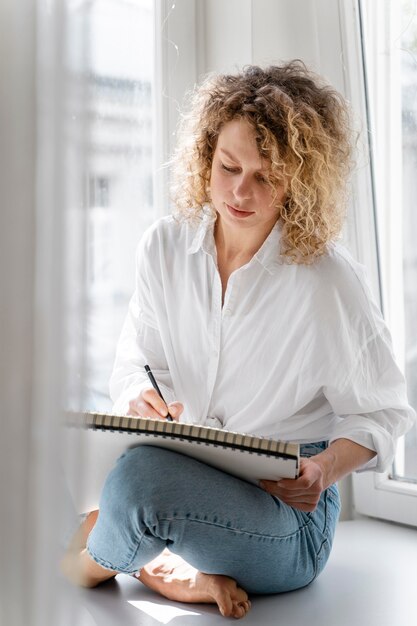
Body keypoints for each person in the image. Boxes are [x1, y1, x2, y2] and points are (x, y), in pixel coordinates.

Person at [62, 60, 415, 619]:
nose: (240, 192)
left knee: (135, 485)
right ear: (206, 158)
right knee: (51, 452)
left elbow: (386, 413)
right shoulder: (164, 248)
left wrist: (325, 469)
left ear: (296, 182)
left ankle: (97, 562)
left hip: (287, 522)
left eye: (265, 177)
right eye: (228, 167)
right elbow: (136, 362)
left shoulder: (327, 280)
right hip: (190, 478)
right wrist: (139, 396)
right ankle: (168, 565)